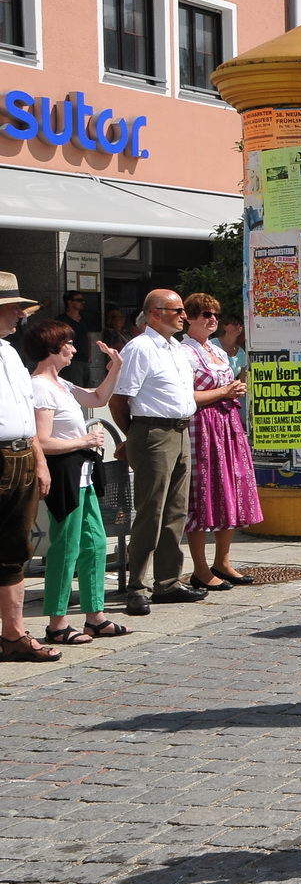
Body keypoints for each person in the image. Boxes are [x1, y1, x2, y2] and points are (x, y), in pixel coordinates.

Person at [23, 321, 127, 646]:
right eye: (68, 343)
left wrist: (117, 368)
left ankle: (95, 616)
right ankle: (57, 623)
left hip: (82, 473)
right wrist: (83, 440)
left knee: (95, 542)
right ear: (52, 348)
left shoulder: (62, 384)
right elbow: (41, 440)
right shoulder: (40, 386)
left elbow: (98, 397)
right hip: (64, 473)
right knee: (65, 548)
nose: (74, 348)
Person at [110, 289, 207, 616]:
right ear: (155, 313)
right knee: (150, 510)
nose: (184, 315)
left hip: (180, 430)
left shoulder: (177, 348)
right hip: (153, 430)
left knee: (175, 510)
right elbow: (119, 398)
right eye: (177, 310)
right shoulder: (140, 348)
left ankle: (167, 581)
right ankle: (138, 586)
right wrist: (135, 436)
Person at [180, 293, 264, 591]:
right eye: (204, 314)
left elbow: (224, 388)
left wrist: (234, 389)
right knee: (203, 495)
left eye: (214, 313)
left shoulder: (216, 350)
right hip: (202, 426)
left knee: (230, 487)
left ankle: (223, 561)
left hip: (227, 425)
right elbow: (185, 396)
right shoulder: (185, 352)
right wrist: (224, 392)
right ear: (188, 318)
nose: (212, 319)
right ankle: (200, 568)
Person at [1, 275, 62, 662]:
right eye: (14, 306)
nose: (22, 314)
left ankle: (14, 635)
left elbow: (25, 411)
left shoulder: (8, 353)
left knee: (14, 549)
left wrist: (39, 461)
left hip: (21, 454)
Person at [54, 293, 92, 388]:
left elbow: (88, 336)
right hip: (72, 359)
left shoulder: (84, 318)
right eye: (79, 300)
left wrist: (89, 355)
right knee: (76, 387)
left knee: (90, 386)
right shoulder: (61, 320)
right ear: (70, 302)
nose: (82, 302)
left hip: (85, 358)